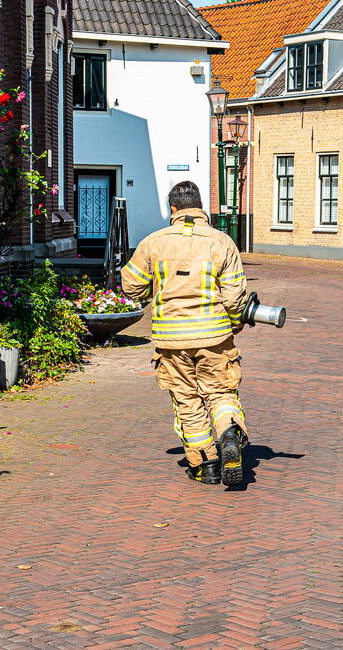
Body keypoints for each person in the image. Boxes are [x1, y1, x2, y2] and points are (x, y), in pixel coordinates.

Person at [121, 181, 249, 486]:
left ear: (173, 209)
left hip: (171, 340)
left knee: (188, 401)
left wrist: (153, 290)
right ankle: (229, 431)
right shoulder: (222, 242)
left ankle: (206, 466)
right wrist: (234, 324)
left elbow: (131, 285)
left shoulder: (153, 242)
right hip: (215, 337)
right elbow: (235, 298)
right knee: (220, 393)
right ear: (201, 206)